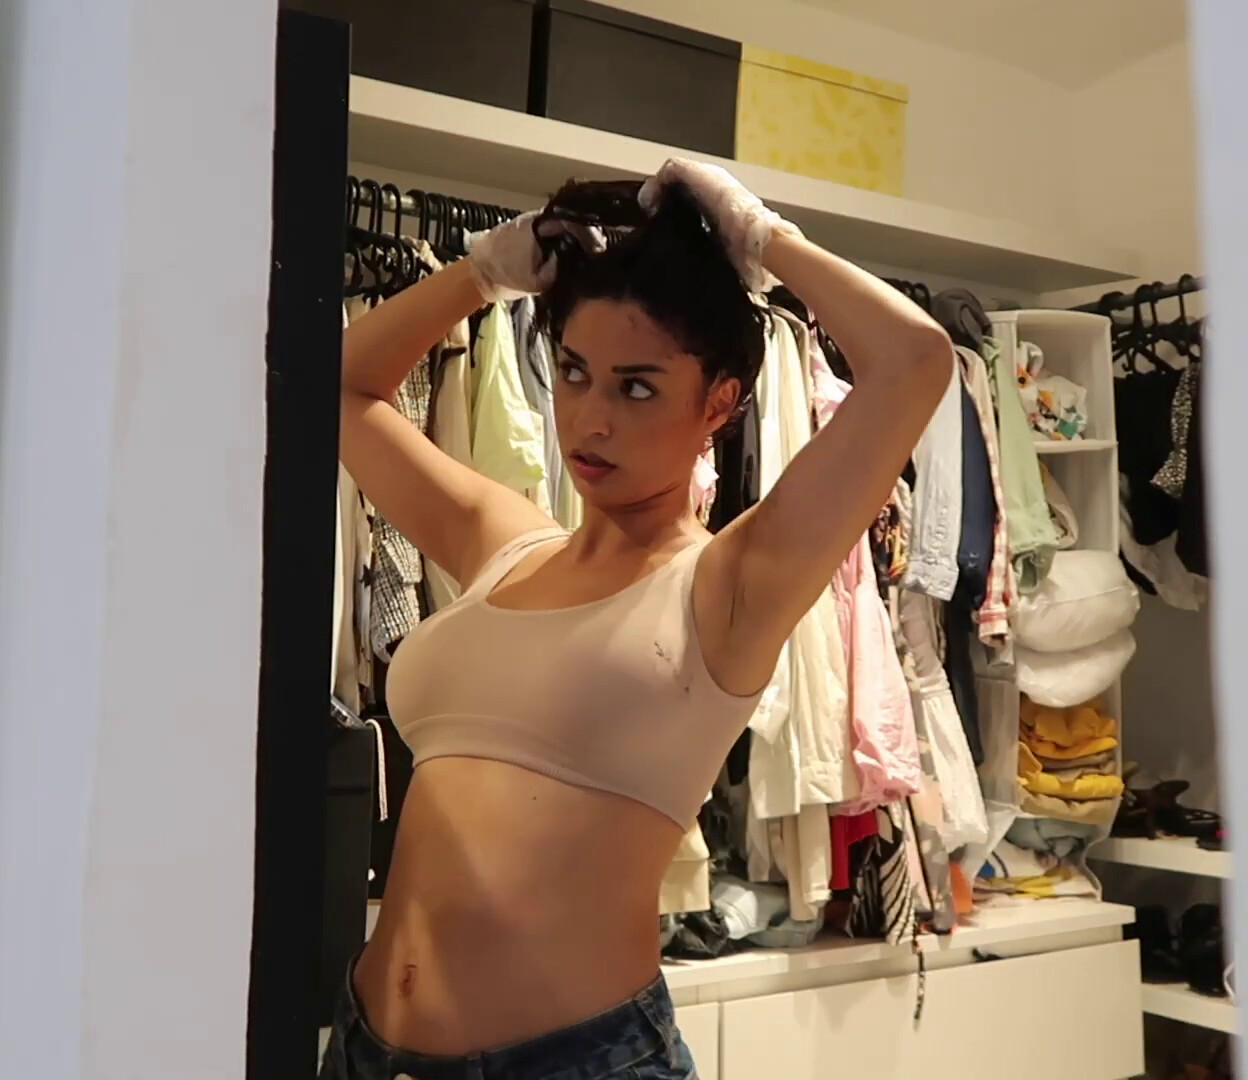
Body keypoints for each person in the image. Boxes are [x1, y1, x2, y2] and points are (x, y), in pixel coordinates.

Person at [325, 158, 953, 1080]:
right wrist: (480, 274)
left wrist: (767, 240)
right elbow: (338, 388)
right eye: (575, 373)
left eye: (638, 386)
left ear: (720, 403)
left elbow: (917, 361)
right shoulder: (504, 542)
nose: (591, 420)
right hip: (367, 1049)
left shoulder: (729, 586)